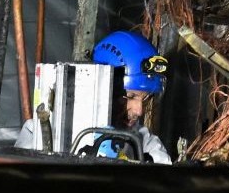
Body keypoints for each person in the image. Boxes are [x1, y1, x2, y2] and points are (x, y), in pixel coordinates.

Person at [15, 30, 173, 164]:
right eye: (130, 97)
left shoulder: (145, 144)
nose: (139, 111)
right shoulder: (38, 133)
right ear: (104, 87)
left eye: (145, 99)